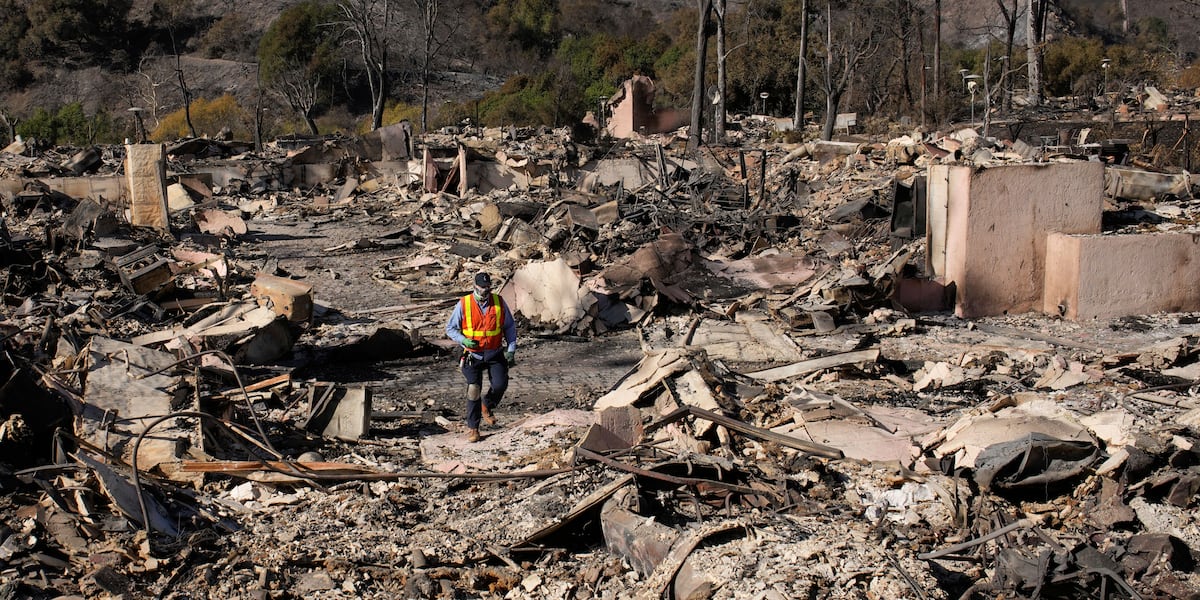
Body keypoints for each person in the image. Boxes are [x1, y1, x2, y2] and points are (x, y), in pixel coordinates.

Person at [444, 272, 517, 442]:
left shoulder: (498, 302)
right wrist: (464, 341)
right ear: (474, 287)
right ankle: (473, 428)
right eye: (482, 288)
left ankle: (487, 405)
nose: (486, 291)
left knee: (500, 384)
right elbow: (450, 328)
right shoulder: (464, 304)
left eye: (488, 288)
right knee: (473, 390)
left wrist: (511, 349)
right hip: (472, 355)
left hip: (494, 352)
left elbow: (510, 327)